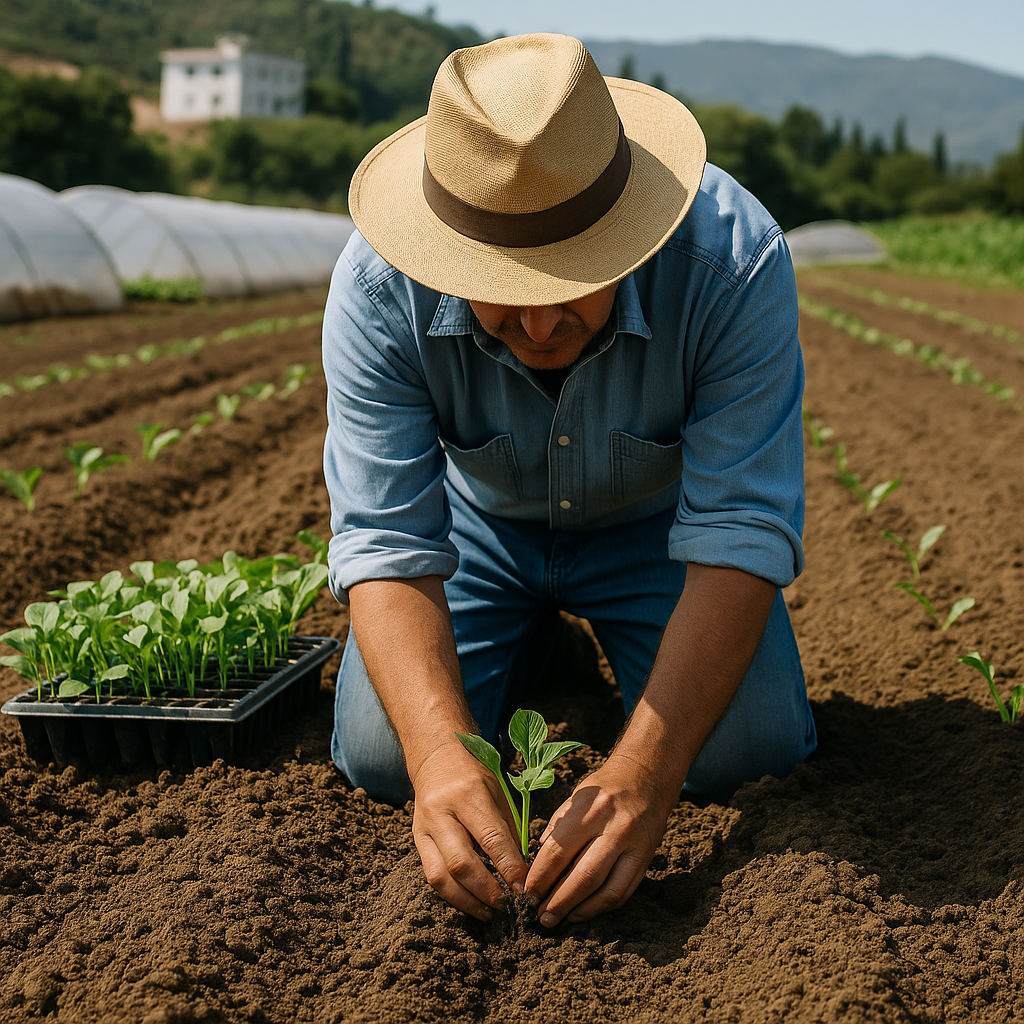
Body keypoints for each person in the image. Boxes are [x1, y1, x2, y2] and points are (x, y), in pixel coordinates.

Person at [321, 33, 817, 929]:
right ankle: (538, 646)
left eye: (575, 278)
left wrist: (646, 774)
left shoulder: (733, 263)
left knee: (749, 752)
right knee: (384, 759)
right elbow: (386, 539)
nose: (542, 323)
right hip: (482, 531)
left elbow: (743, 526)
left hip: (658, 531)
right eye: (501, 286)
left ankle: (586, 651)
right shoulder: (377, 288)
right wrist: (437, 757)